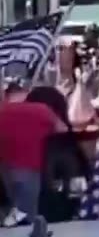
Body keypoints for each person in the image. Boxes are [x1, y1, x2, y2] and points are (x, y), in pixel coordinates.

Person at [0, 85, 68, 219]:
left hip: (4, 170)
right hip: (30, 169)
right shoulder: (41, 110)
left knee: (10, 213)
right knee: (26, 214)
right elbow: (62, 128)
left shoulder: (2, 112)